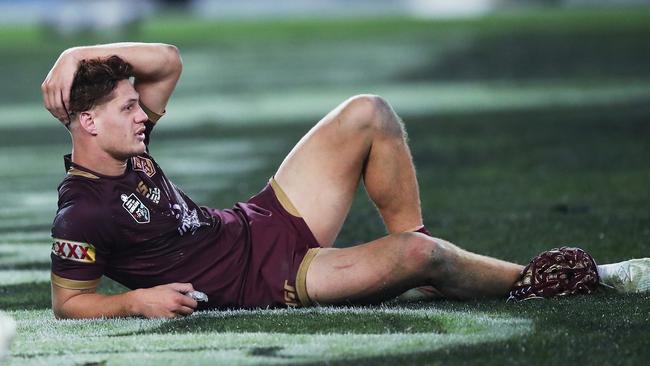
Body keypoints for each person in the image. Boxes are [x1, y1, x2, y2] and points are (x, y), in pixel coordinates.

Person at [42, 43, 648, 319]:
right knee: (417, 254)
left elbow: (168, 59)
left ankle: (428, 270)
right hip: (268, 280)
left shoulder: (127, 142)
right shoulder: (82, 212)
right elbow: (69, 302)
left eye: (137, 104)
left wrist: (76, 54)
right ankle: (573, 278)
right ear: (88, 122)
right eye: (128, 108)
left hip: (261, 220)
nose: (144, 114)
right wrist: (136, 301)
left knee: (369, 112)